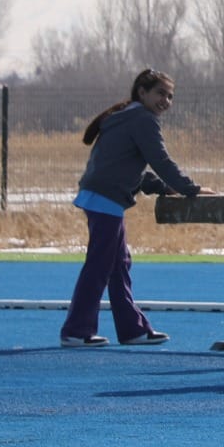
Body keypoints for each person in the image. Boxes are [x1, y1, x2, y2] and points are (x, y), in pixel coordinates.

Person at [61, 68, 204, 347]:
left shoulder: (125, 117)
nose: (166, 100)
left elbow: (128, 166)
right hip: (105, 199)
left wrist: (165, 188)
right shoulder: (142, 119)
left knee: (118, 264)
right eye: (160, 93)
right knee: (100, 266)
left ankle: (132, 330)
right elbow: (160, 161)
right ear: (142, 92)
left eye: (171, 96)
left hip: (100, 195)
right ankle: (76, 331)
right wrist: (190, 189)